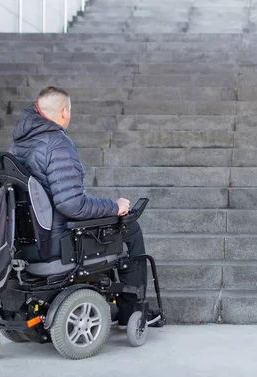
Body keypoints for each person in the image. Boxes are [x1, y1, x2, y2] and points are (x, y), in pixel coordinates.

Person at [10, 86, 158, 327]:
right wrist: (114, 207)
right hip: (57, 241)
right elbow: (72, 205)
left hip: (28, 242)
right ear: (65, 112)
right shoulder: (56, 144)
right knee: (129, 227)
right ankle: (131, 313)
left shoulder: (18, 145)